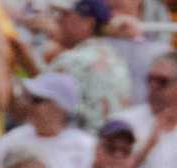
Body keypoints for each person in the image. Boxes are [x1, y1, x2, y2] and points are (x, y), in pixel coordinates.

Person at [46, 0, 132, 132]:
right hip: (110, 146)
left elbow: (36, 104)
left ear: (88, 23)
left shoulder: (71, 60)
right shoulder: (117, 60)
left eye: (65, 15)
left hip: (78, 148)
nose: (58, 20)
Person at [0, 74, 93, 168]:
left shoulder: (85, 146)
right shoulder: (11, 139)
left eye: (37, 100)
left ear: (60, 106)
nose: (28, 104)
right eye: (28, 98)